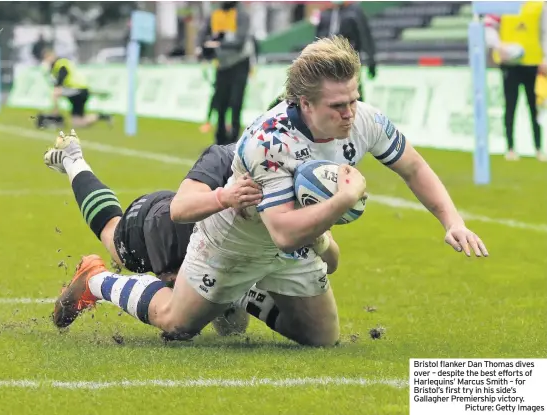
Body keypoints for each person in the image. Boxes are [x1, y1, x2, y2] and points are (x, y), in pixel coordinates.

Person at [55, 36, 488, 347]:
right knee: (176, 325)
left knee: (321, 338)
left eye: (354, 99)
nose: (349, 113)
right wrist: (341, 200)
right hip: (234, 240)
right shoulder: (267, 142)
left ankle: (241, 294)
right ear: (303, 103)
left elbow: (413, 166)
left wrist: (452, 221)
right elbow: (282, 231)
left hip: (290, 242)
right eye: (338, 105)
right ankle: (97, 279)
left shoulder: (364, 119)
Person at [43, 130, 339, 335]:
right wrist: (226, 198)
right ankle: (95, 276)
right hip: (162, 228)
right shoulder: (228, 156)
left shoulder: (303, 178)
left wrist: (318, 234)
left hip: (225, 253)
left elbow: (332, 261)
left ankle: (232, 294)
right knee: (112, 235)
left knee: (232, 329)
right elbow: (180, 209)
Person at [484, 2, 547, 161]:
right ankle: (510, 148)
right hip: (509, 63)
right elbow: (489, 25)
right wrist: (499, 46)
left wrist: (545, 58)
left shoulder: (539, 4)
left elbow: (545, 31)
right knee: (510, 106)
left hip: (533, 62)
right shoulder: (504, 4)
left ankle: (538, 148)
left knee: (534, 107)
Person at [196, 1, 255, 145]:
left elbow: (239, 40)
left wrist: (218, 42)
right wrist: (201, 47)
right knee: (220, 103)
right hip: (222, 65)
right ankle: (220, 139)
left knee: (236, 102)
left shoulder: (241, 14)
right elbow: (203, 34)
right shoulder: (214, 14)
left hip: (240, 63)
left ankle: (234, 138)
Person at [314, 0, 376, 102]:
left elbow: (365, 35)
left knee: (353, 90)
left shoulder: (355, 12)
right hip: (327, 61)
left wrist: (371, 60)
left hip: (349, 60)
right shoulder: (325, 14)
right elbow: (316, 39)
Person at [38, 48, 112, 130]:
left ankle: (56, 116)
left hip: (77, 89)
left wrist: (57, 84)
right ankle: (102, 116)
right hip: (80, 91)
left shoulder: (61, 63)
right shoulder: (58, 65)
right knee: (78, 122)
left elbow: (62, 77)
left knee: (55, 93)